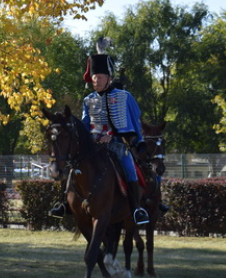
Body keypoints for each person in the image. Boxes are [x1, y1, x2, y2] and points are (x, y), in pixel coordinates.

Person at [49, 38, 150, 225]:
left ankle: (137, 209)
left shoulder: (124, 96)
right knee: (72, 169)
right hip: (94, 145)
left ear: (109, 78)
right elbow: (87, 123)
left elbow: (132, 121)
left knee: (130, 170)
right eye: (94, 78)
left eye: (100, 78)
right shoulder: (89, 100)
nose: (96, 81)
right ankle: (63, 203)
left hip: (117, 144)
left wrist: (115, 136)